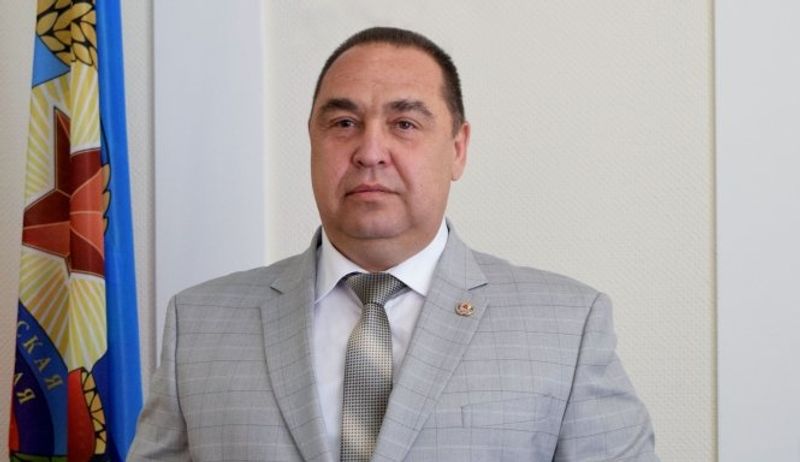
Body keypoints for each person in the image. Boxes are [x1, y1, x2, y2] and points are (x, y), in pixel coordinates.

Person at [129, 27, 659, 461]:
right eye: (344, 123)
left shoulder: (567, 327)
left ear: (458, 149)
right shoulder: (199, 324)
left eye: (404, 123)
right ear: (312, 140)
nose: (370, 151)